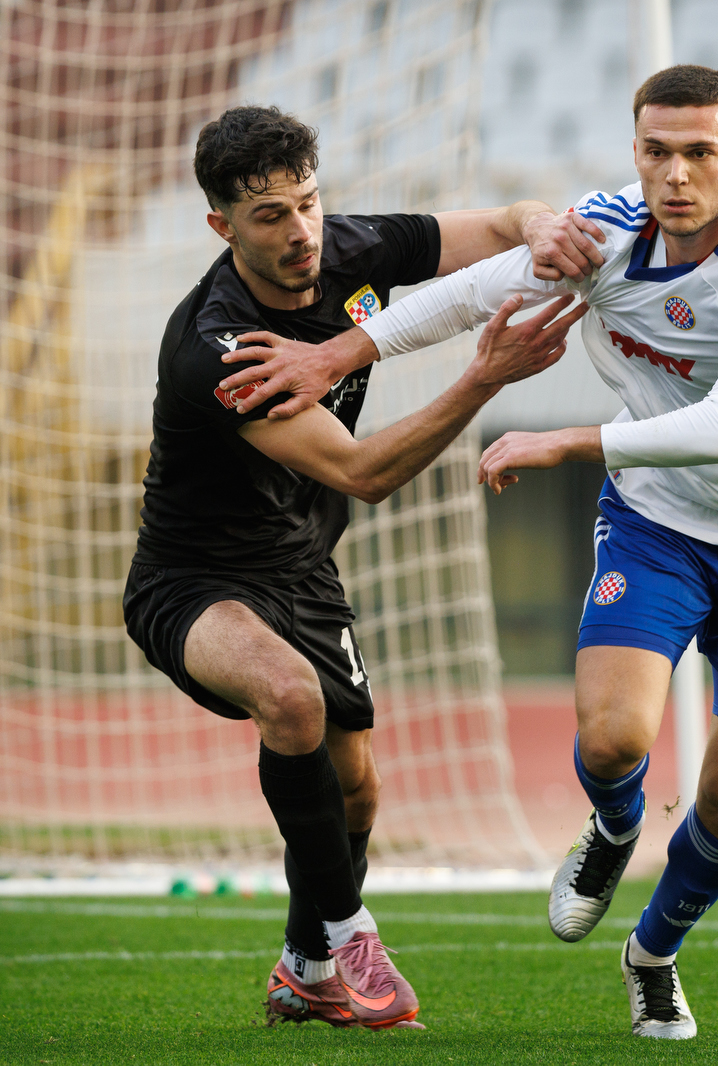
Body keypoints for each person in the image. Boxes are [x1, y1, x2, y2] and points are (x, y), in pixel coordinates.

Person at [217, 66, 718, 1039]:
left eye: (699, 152)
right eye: (656, 151)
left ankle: (652, 953)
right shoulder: (602, 231)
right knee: (611, 742)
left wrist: (567, 442)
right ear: (634, 151)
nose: (675, 174)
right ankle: (612, 826)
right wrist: (334, 356)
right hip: (661, 520)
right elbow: (472, 294)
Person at [122, 104, 594, 1031]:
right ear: (221, 226)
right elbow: (363, 473)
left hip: (303, 570)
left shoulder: (350, 249)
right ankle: (349, 933)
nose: (300, 232)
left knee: (359, 789)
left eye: (306, 202)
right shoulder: (219, 345)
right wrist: (484, 376)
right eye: (269, 217)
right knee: (289, 698)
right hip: (193, 579)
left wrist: (539, 223)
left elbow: (501, 225)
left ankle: (303, 966)